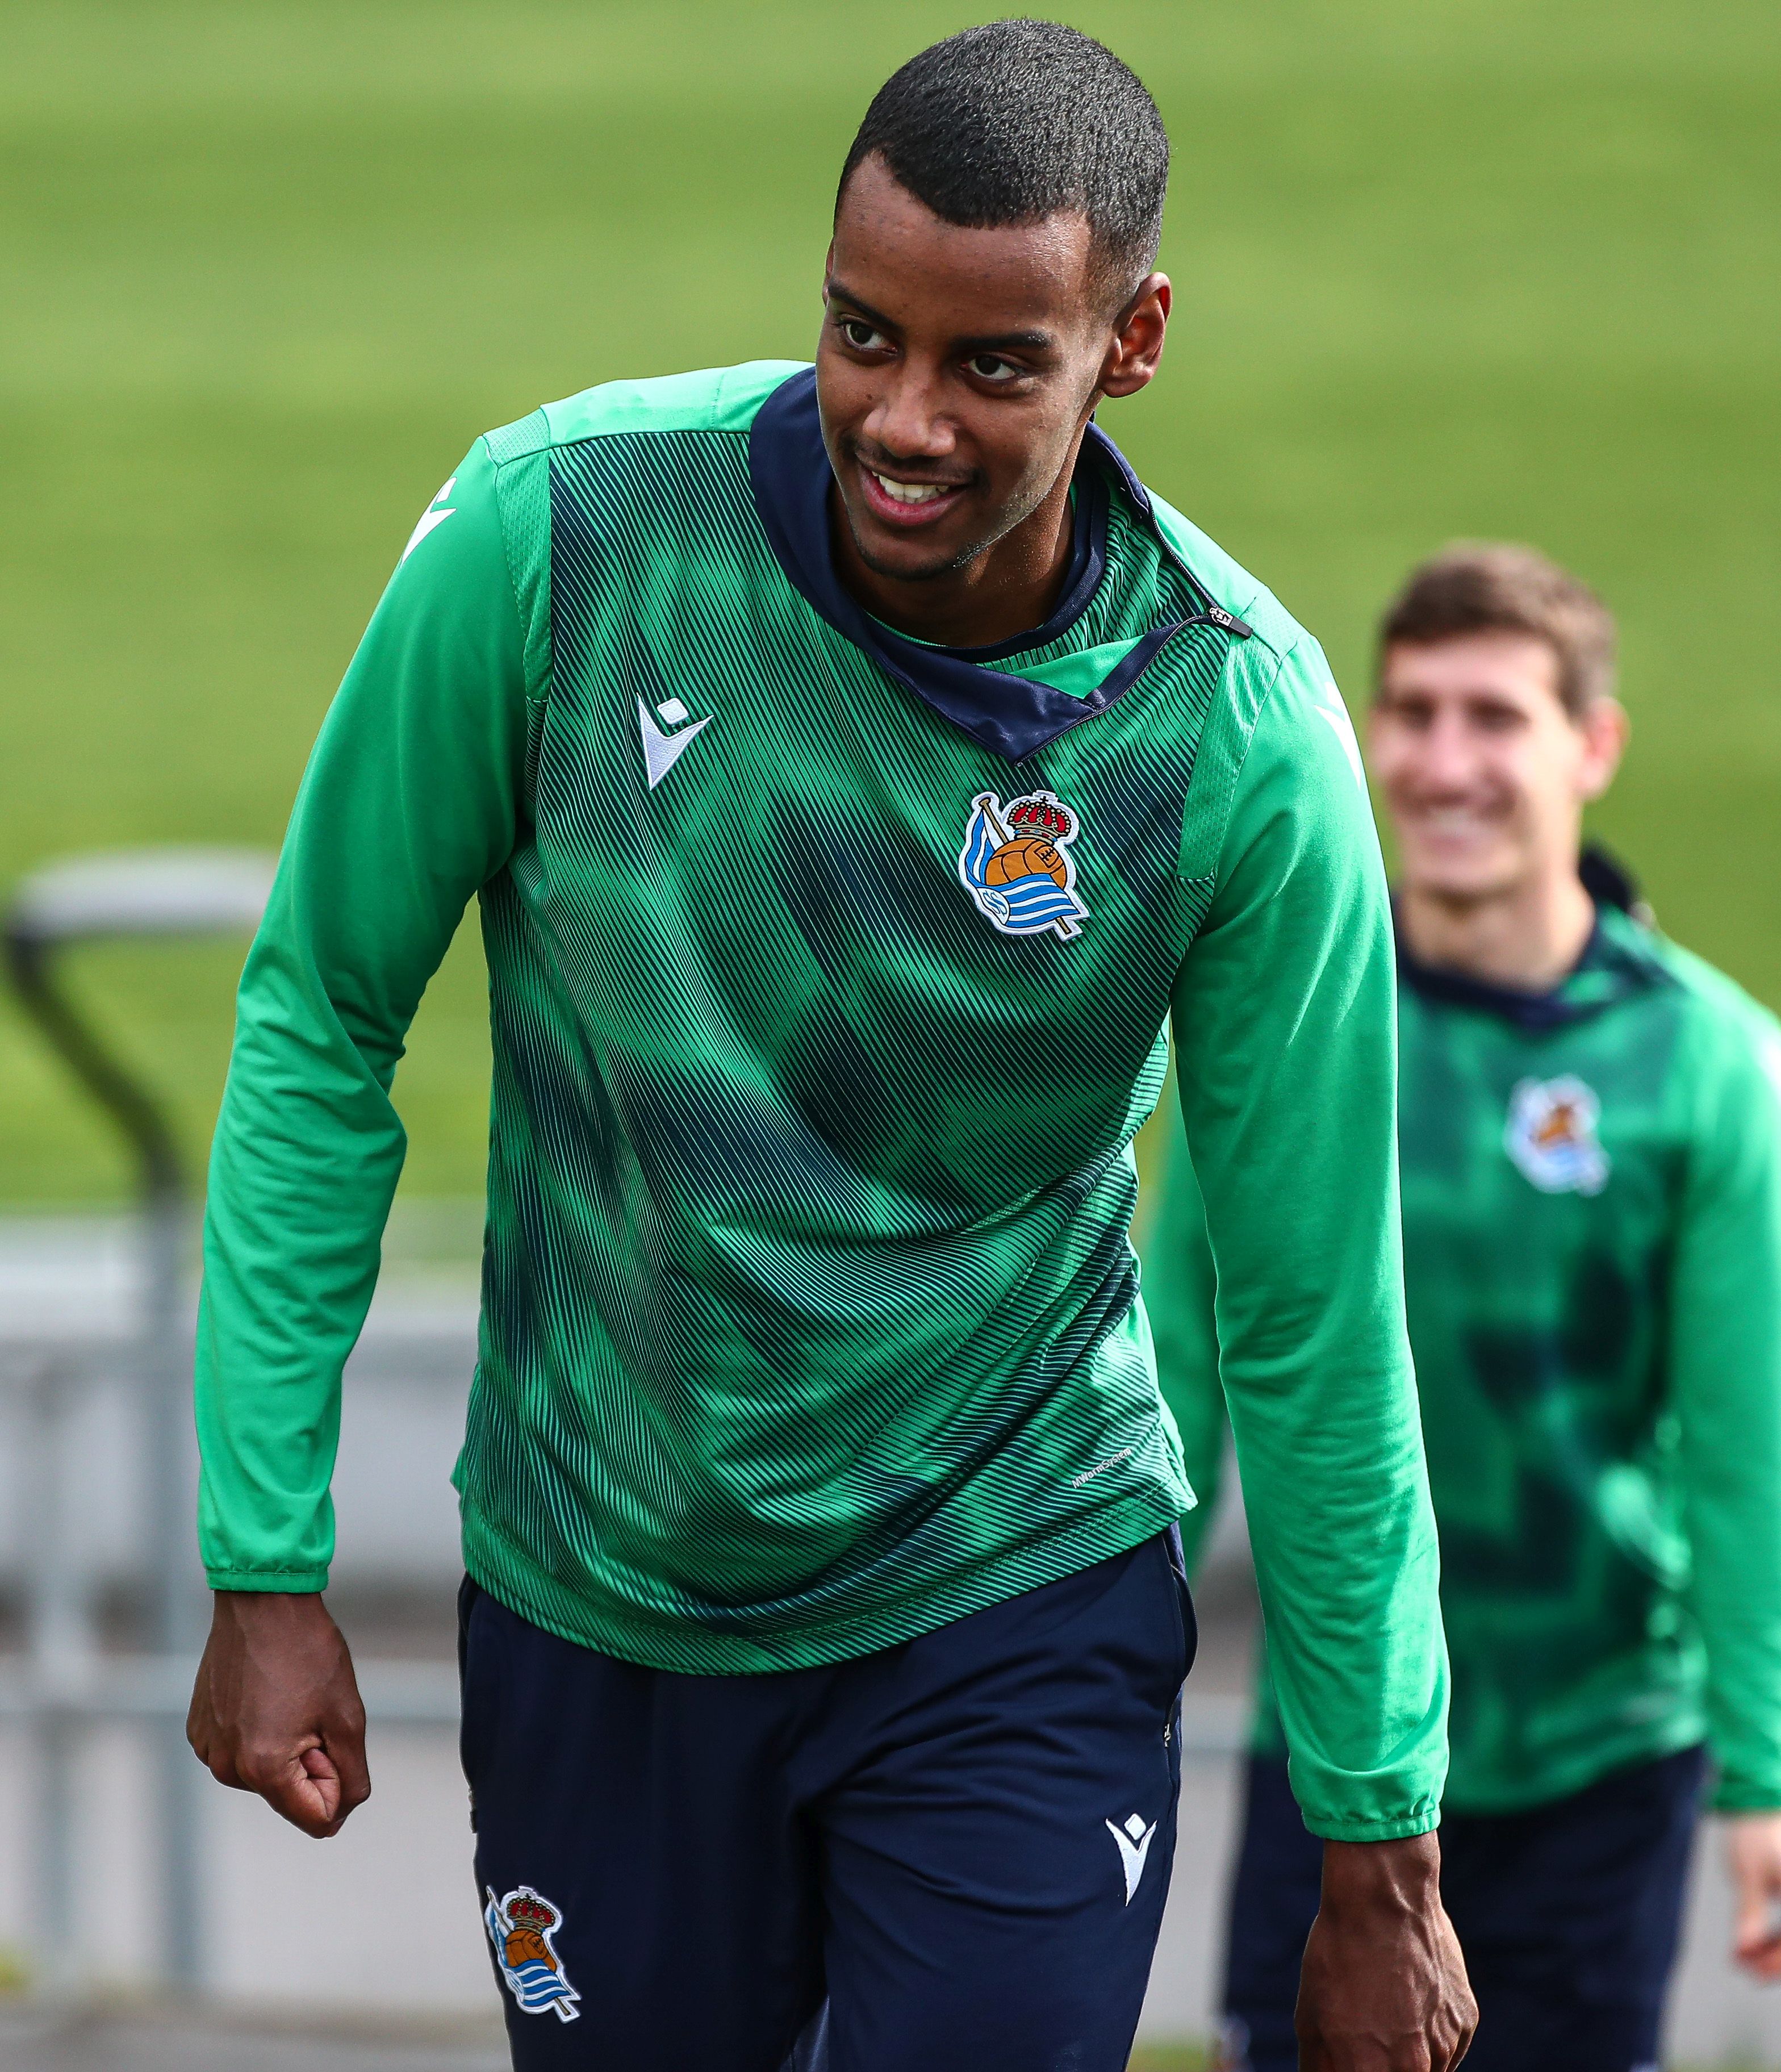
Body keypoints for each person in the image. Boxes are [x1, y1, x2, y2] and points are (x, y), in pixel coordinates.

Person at [183, 23, 1474, 2071]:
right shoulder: (560, 534)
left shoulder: (1236, 737)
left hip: (1014, 1569)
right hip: (603, 1593)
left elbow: (1319, 1313)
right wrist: (264, 1555)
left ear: (1130, 343)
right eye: (862, 334)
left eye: (994, 364)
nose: (903, 418)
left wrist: (1379, 1849)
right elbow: (322, 1007)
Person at [1142, 542, 1781, 2072]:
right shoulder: (1281, 1019)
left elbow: (1747, 1450)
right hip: (1337, 1748)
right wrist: (1097, 1689)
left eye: (1494, 717)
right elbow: (1170, 1381)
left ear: (1594, 748)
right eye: (1412, 714)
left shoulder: (1707, 1067)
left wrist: (1763, 1777)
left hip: (1595, 1761)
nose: (1443, 763)